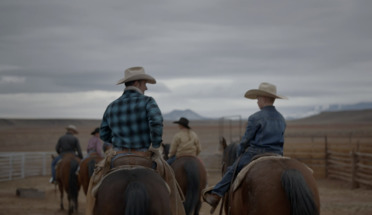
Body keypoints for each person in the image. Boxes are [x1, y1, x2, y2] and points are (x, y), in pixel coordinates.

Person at [85, 66, 185, 215]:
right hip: (145, 157)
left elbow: (104, 135)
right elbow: (156, 122)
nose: (146, 88)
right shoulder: (148, 102)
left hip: (117, 158)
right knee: (171, 181)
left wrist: (118, 141)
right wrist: (155, 145)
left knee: (93, 183)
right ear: (137, 83)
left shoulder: (111, 106)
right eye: (145, 84)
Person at [203, 82, 287, 213]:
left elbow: (246, 140)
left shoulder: (255, 117)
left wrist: (240, 152)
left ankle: (216, 194)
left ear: (263, 98)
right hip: (278, 154)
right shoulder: (281, 118)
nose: (257, 102)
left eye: (258, 98)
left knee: (232, 170)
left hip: (256, 153)